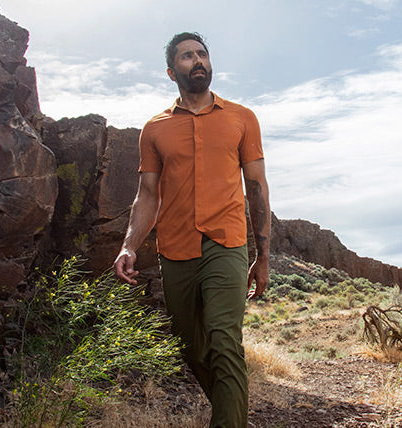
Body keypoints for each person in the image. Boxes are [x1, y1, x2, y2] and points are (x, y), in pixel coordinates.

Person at [113, 32, 270, 428]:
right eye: (187, 56)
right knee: (192, 347)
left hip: (226, 243)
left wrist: (262, 255)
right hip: (176, 248)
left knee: (224, 342)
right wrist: (129, 246)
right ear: (171, 71)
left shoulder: (242, 118)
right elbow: (147, 194)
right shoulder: (154, 129)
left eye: (202, 54)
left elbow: (257, 187)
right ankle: (231, 411)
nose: (197, 61)